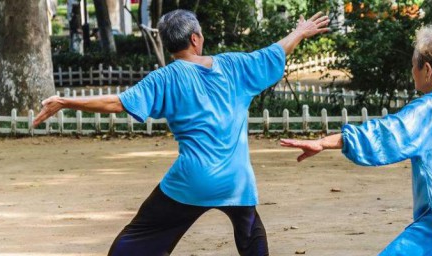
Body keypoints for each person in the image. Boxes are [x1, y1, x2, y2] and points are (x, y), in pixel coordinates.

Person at [32, 9, 330, 256]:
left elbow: (117, 103)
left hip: (192, 180)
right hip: (236, 181)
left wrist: (66, 100)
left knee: (140, 235)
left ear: (168, 44)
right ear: (195, 38)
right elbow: (274, 52)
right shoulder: (235, 66)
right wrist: (300, 31)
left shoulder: (165, 78)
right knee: (252, 236)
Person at [280, 25, 432, 256]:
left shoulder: (428, 109)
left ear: (427, 71)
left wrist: (326, 142)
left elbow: (387, 134)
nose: (412, 71)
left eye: (414, 66)